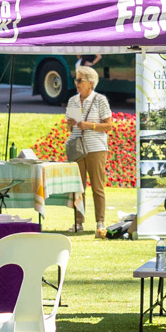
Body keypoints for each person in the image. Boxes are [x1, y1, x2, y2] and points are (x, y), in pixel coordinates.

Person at [64, 62, 110, 234]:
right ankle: (78, 222)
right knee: (78, 187)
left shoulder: (100, 100)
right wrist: (70, 124)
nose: (76, 83)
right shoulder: (72, 101)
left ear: (90, 82)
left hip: (96, 148)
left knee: (97, 187)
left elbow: (109, 126)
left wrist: (89, 125)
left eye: (80, 80)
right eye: (75, 80)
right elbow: (71, 128)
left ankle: (100, 222)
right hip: (77, 147)